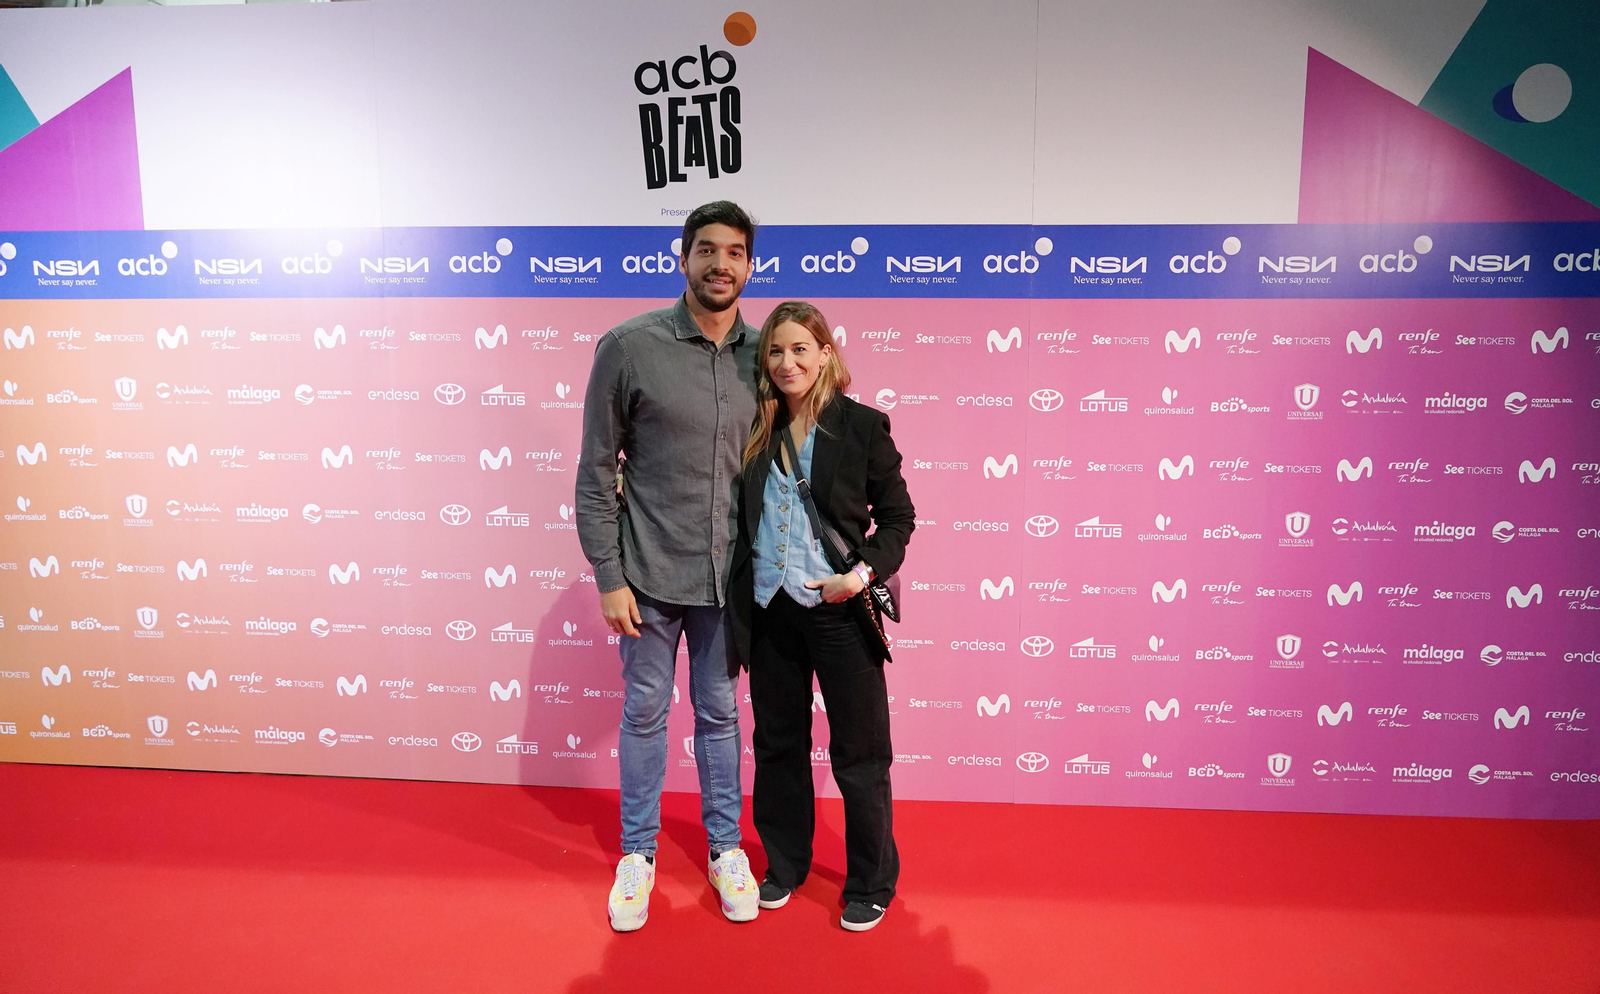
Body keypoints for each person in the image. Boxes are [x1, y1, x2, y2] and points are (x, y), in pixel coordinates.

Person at [576, 201, 763, 932]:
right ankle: (637, 855)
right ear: (681, 257)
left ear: (750, 265)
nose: (722, 265)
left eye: (736, 253)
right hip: (648, 576)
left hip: (730, 581)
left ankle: (725, 851)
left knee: (720, 717)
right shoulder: (628, 347)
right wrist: (607, 574)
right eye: (707, 250)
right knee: (646, 714)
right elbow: (596, 469)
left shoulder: (768, 352)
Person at [727, 301, 915, 932]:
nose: (786, 362)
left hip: (839, 613)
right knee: (777, 746)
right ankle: (784, 864)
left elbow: (897, 520)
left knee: (860, 755)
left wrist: (858, 576)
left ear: (826, 353)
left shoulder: (862, 426)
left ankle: (870, 880)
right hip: (770, 610)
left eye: (800, 349)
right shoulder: (754, 429)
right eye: (775, 352)